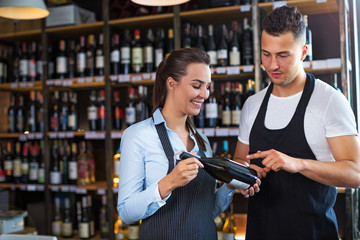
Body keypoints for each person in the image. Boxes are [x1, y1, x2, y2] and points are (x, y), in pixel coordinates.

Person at [233, 5, 360, 240]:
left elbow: (355, 172)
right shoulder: (252, 104)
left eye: (283, 55)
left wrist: (298, 164)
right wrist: (245, 176)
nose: (272, 65)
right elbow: (240, 161)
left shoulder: (329, 100)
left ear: (303, 52)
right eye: (266, 54)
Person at [117, 48, 256, 239]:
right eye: (197, 85)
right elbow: (125, 212)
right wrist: (168, 183)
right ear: (172, 84)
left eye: (207, 87)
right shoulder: (138, 135)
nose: (205, 94)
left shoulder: (203, 142)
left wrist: (230, 186)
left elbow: (206, 213)